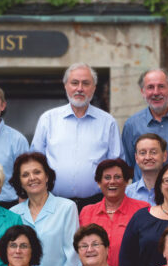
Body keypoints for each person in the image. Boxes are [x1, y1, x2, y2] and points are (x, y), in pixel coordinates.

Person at [31, 63, 125, 209]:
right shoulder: (48, 119)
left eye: (86, 83)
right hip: (53, 204)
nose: (79, 88)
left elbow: (116, 165)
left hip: (96, 204)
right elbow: (34, 163)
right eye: (74, 83)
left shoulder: (108, 122)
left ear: (93, 88)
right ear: (66, 86)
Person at [9, 152, 80, 266]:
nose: (32, 178)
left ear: (47, 176)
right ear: (20, 182)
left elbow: (73, 257)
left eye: (37, 172)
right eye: (25, 175)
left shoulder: (67, 207)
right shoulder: (13, 213)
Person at [80, 158, 150, 266]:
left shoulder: (142, 209)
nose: (112, 181)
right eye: (107, 178)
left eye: (117, 177)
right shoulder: (87, 212)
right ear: (99, 183)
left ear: (126, 181)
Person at [125, 133, 168, 206]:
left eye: (153, 152)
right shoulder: (127, 193)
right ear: (136, 158)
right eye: (142, 153)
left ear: (164, 156)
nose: (148, 157)